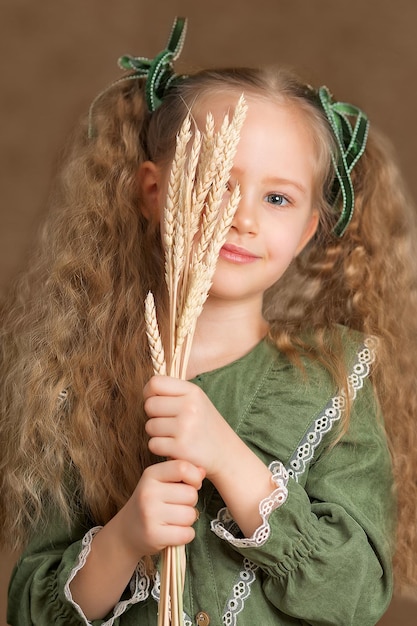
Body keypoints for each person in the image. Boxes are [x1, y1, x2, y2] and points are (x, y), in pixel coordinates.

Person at [1, 16, 416, 626]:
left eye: (277, 198)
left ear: (306, 230)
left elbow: (354, 598)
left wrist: (231, 459)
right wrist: (123, 541)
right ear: (153, 192)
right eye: (216, 183)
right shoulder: (81, 381)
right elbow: (27, 610)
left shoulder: (335, 382)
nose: (243, 219)